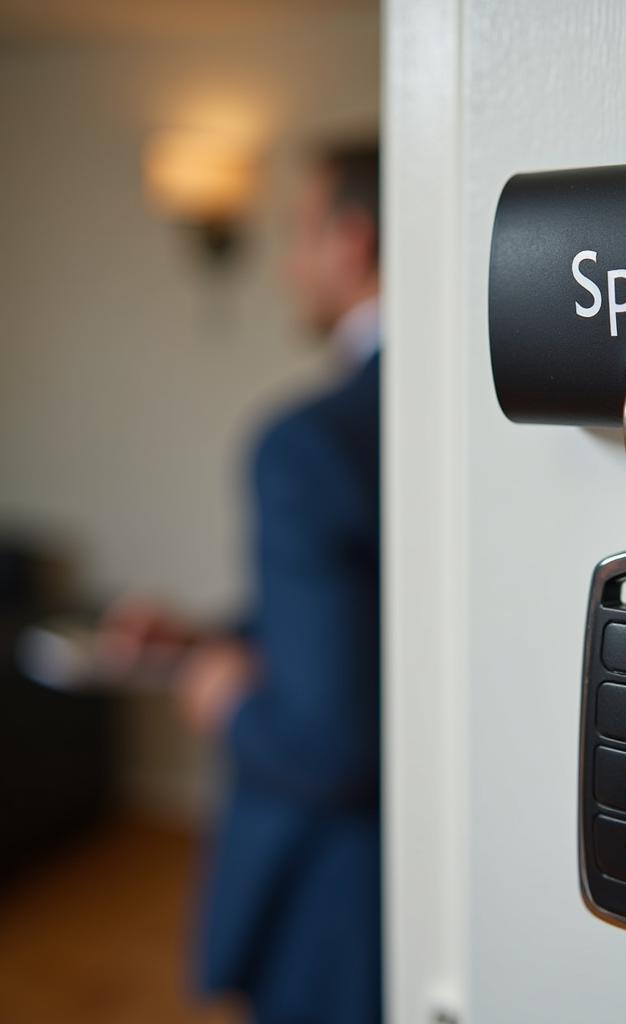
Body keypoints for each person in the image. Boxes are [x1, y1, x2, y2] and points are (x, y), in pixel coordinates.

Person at [101, 142, 382, 1024]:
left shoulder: (307, 444)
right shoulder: (486, 404)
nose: (288, 267)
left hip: (341, 897)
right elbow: (370, 623)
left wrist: (219, 696)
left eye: (300, 234)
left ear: (354, 241)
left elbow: (327, 745)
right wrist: (203, 639)